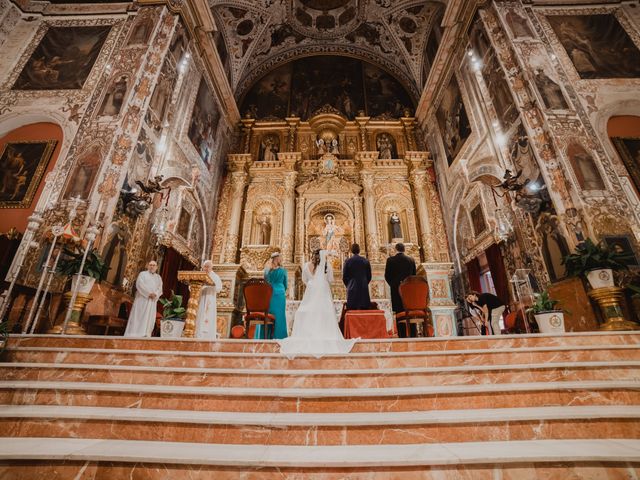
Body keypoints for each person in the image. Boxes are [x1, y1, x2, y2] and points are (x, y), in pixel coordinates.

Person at [278, 249, 357, 358]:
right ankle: (324, 334)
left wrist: (312, 283)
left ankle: (309, 334)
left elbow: (304, 279)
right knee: (324, 313)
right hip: (323, 290)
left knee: (309, 312)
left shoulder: (306, 266)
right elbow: (330, 279)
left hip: (310, 290)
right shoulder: (326, 265)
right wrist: (322, 281)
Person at [384, 243, 416, 337]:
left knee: (399, 312)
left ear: (396, 249)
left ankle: (402, 335)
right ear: (404, 249)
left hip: (396, 290)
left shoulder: (390, 260)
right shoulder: (411, 260)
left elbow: (387, 276)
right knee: (411, 312)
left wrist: (394, 285)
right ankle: (413, 333)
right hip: (409, 291)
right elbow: (414, 275)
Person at [124, 260, 163, 337]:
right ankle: (134, 334)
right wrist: (149, 293)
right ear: (148, 266)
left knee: (149, 318)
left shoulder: (158, 277)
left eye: (154, 265)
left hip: (152, 302)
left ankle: (146, 334)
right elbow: (139, 284)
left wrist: (155, 294)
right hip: (142, 300)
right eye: (150, 265)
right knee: (138, 316)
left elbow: (160, 288)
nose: (152, 266)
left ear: (156, 267)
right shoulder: (142, 274)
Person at [255, 252, 288, 339]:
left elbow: (265, 282)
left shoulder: (267, 270)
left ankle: (263, 336)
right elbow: (286, 285)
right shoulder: (283, 270)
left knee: (266, 315)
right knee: (279, 317)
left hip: (268, 294)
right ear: (278, 259)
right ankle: (279, 337)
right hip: (279, 294)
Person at [195, 260, 223, 340]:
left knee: (208, 316)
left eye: (208, 266)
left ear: (211, 267)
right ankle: (197, 335)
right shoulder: (200, 275)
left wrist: (209, 286)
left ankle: (207, 337)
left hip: (209, 299)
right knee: (199, 315)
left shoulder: (215, 277)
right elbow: (193, 285)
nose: (206, 268)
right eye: (205, 266)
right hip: (201, 298)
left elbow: (219, 288)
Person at [342, 243, 372, 310]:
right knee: (364, 311)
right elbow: (369, 276)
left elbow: (344, 276)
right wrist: (364, 283)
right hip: (363, 288)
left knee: (352, 311)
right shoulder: (365, 261)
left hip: (352, 288)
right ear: (359, 250)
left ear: (351, 250)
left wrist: (349, 285)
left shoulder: (348, 261)